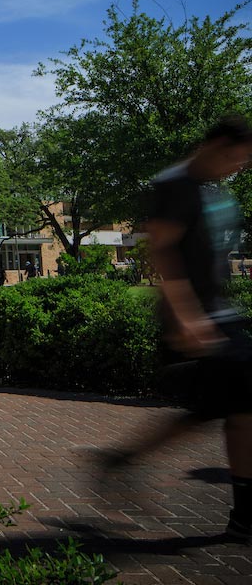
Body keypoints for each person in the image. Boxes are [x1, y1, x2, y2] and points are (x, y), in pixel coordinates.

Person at [95, 115, 252, 540]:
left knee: (219, 409)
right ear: (216, 145)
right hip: (193, 319)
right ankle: (243, 516)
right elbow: (161, 252)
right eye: (236, 159)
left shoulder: (210, 187)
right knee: (233, 406)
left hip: (219, 313)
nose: (238, 168)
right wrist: (186, 317)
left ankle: (123, 460)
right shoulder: (176, 186)